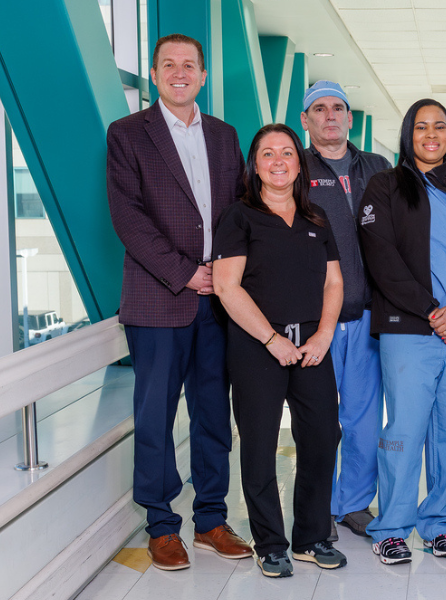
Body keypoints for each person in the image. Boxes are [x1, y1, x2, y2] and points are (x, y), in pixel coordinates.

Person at [107, 33, 251, 571]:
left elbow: (239, 210)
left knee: (214, 414)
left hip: (220, 302)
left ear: (204, 75)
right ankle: (162, 525)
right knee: (156, 415)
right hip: (159, 298)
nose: (179, 72)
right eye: (168, 64)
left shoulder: (224, 135)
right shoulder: (127, 134)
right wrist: (188, 273)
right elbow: (129, 220)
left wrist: (229, 275)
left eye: (189, 64)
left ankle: (211, 519)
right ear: (154, 73)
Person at [358, 99, 446, 565]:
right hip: (409, 330)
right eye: (422, 127)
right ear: (408, 134)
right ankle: (391, 527)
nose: (431, 134)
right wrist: (431, 310)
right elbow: (381, 258)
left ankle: (439, 523)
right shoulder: (385, 187)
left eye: (440, 125)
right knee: (404, 429)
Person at [212, 123, 347, 577]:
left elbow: (333, 281)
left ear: (299, 163)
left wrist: (324, 335)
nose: (278, 161)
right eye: (267, 153)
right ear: (255, 164)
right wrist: (272, 340)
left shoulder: (316, 219)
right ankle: (270, 542)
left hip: (311, 344)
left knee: (322, 437)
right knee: (259, 444)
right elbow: (226, 286)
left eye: (286, 152)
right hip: (257, 346)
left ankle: (311, 537)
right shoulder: (239, 217)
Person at [300, 80, 392, 540]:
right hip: (318, 318)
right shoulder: (293, 168)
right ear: (306, 120)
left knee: (362, 417)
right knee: (318, 418)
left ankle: (354, 504)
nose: (330, 115)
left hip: (370, 314)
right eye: (319, 109)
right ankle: (317, 507)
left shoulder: (377, 167)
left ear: (350, 118)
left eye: (338, 108)